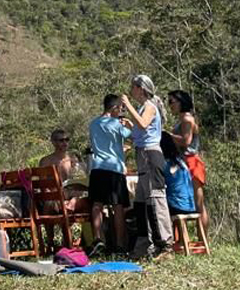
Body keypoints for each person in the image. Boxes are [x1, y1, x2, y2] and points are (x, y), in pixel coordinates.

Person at [121, 75, 173, 259]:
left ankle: (165, 245)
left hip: (151, 155)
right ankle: (145, 246)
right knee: (142, 203)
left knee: (155, 199)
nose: (131, 90)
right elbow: (139, 132)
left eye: (133, 87)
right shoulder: (142, 108)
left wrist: (127, 106)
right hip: (142, 156)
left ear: (141, 88)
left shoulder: (150, 106)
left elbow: (143, 124)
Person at [87, 94, 132, 255]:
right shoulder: (117, 125)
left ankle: (98, 239)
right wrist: (129, 124)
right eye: (120, 108)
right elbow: (133, 135)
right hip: (115, 169)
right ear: (114, 108)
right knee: (117, 206)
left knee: (97, 205)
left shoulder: (93, 124)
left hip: (97, 168)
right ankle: (120, 245)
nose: (121, 111)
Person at [166, 89, 208, 234]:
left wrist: (168, 136)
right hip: (183, 163)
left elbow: (186, 140)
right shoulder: (182, 119)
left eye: (171, 101)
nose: (169, 105)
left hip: (191, 162)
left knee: (199, 203)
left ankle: (204, 237)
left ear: (180, 102)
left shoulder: (187, 119)